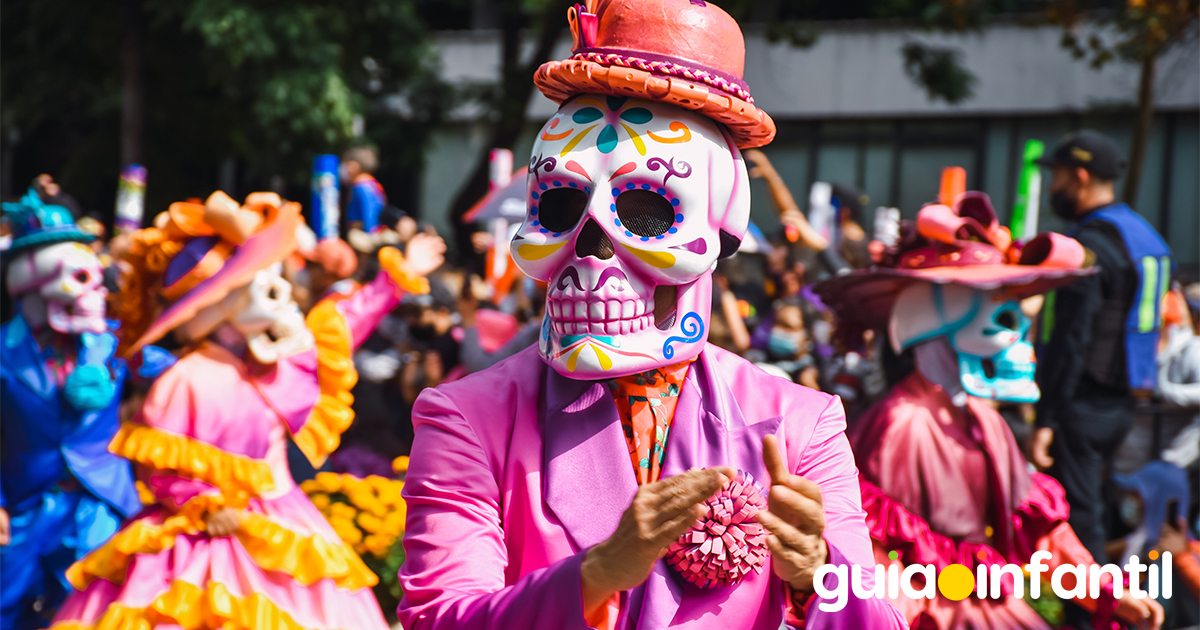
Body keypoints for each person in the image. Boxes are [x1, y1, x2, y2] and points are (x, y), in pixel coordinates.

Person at [396, 2, 907, 628]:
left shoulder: (801, 425)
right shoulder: (469, 419)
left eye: (643, 211)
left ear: (722, 230)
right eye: (560, 206)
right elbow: (440, 618)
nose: (591, 246)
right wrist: (597, 575)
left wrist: (816, 579)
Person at [49, 191, 446, 630]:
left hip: (280, 522)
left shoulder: (273, 366)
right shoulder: (187, 379)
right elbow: (159, 468)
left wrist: (396, 279)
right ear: (224, 301)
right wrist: (204, 504)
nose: (280, 293)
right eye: (262, 280)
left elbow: (345, 324)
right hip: (200, 542)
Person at [815, 192, 1163, 630]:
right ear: (936, 306)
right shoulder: (903, 422)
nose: (1014, 316)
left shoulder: (984, 418)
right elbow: (877, 555)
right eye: (991, 294)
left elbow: (1039, 533)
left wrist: (1109, 592)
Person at [0, 190, 151, 629]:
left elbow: (181, 370)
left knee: (97, 614)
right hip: (25, 505)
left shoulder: (116, 341)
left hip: (100, 502)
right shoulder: (3, 353)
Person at [1030, 129, 1174, 563]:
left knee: (1080, 516)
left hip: (1081, 402)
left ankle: (1090, 617)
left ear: (1080, 176)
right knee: (1104, 506)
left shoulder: (1088, 246)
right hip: (1125, 402)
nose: (1053, 188)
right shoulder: (1143, 237)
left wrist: (1047, 416)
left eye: (1056, 177)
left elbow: (1071, 339)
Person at [342, 146, 387, 233]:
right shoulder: (373, 184)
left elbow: (369, 216)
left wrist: (370, 237)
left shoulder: (361, 187)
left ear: (355, 166)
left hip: (365, 237)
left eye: (347, 164)